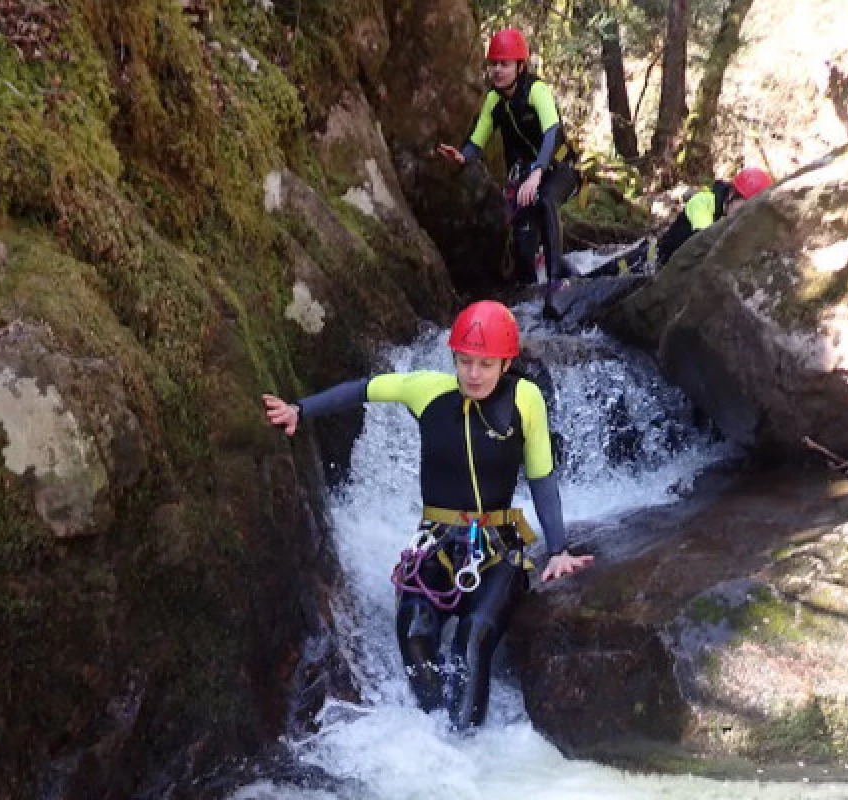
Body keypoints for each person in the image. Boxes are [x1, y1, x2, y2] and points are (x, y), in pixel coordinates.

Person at [262, 300, 593, 730]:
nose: (473, 374)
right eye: (465, 361)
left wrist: (559, 549)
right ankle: (437, 736)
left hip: (498, 551)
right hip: (437, 544)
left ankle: (467, 745)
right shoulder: (427, 390)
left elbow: (542, 477)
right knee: (414, 633)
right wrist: (299, 410)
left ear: (506, 362)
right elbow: (364, 389)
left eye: (485, 364)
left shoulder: (525, 397)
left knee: (472, 642)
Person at [436, 28, 580, 293]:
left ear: (520, 66)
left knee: (546, 201)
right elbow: (477, 141)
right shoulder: (494, 100)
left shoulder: (537, 90)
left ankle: (557, 283)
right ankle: (543, 293)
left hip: (560, 169)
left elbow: (552, 132)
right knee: (524, 252)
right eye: (494, 64)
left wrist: (537, 172)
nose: (497, 70)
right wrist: (461, 157)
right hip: (529, 177)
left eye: (504, 64)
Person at [598, 167, 774, 276]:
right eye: (743, 207)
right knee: (591, 283)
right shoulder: (704, 202)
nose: (744, 215)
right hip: (648, 262)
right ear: (731, 195)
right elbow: (705, 241)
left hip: (666, 272)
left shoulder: (732, 219)